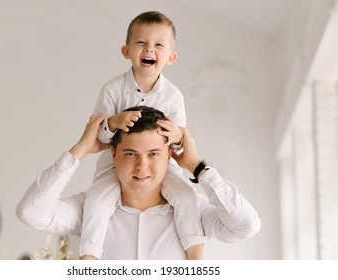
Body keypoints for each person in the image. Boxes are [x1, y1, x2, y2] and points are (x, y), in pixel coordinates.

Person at [16, 105, 261, 260]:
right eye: (131, 154)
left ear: (169, 155)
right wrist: (80, 150)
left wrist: (197, 166)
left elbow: (246, 225)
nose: (142, 167)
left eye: (153, 154)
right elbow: (31, 212)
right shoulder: (88, 209)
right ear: (113, 153)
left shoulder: (193, 212)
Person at [82, 11, 204, 260]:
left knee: (187, 198)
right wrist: (113, 123)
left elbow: (180, 142)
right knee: (96, 202)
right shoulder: (113, 89)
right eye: (141, 43)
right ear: (126, 51)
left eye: (159, 45)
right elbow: (97, 136)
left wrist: (177, 135)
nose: (149, 49)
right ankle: (89, 259)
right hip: (114, 168)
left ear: (171, 57)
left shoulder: (173, 96)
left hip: (163, 169)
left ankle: (196, 258)